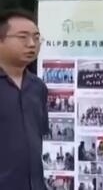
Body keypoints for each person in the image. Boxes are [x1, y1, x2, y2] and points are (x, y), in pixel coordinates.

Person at [0, 10, 48, 190]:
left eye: (36, 38)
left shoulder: (38, 87)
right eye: (23, 37)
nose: (31, 44)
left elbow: (36, 140)